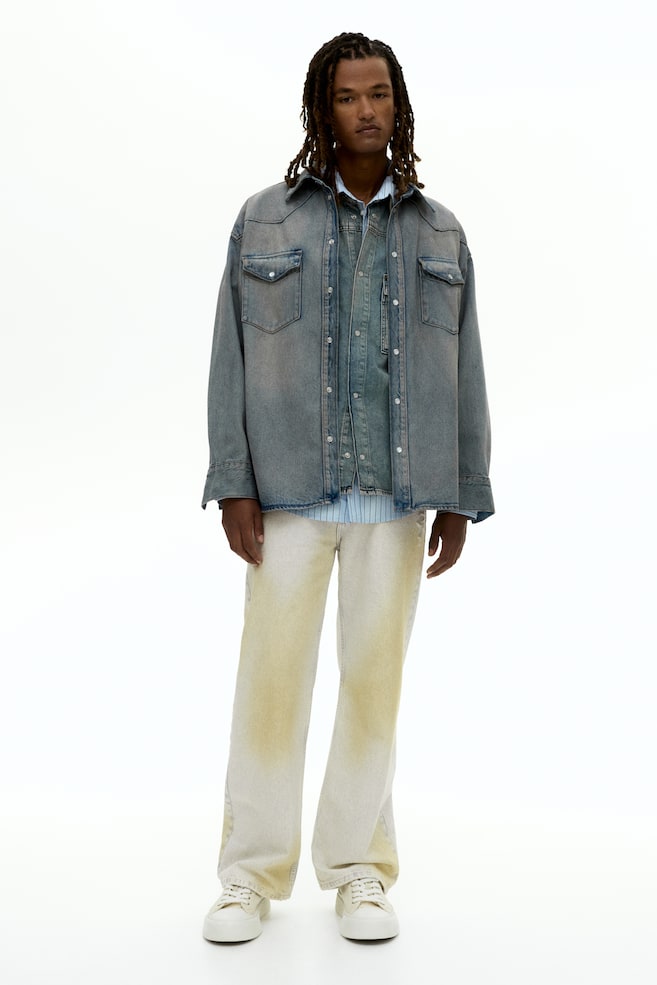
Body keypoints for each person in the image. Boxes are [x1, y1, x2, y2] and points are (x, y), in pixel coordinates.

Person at [201, 32, 494, 943]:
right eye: (346, 96)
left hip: (397, 499)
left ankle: (360, 868)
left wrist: (462, 490)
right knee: (270, 686)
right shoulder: (265, 221)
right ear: (320, 110)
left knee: (374, 689)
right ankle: (248, 875)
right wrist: (233, 480)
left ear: (397, 105)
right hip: (287, 496)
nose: (366, 110)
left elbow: (466, 367)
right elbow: (228, 355)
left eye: (379, 95)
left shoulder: (439, 231)